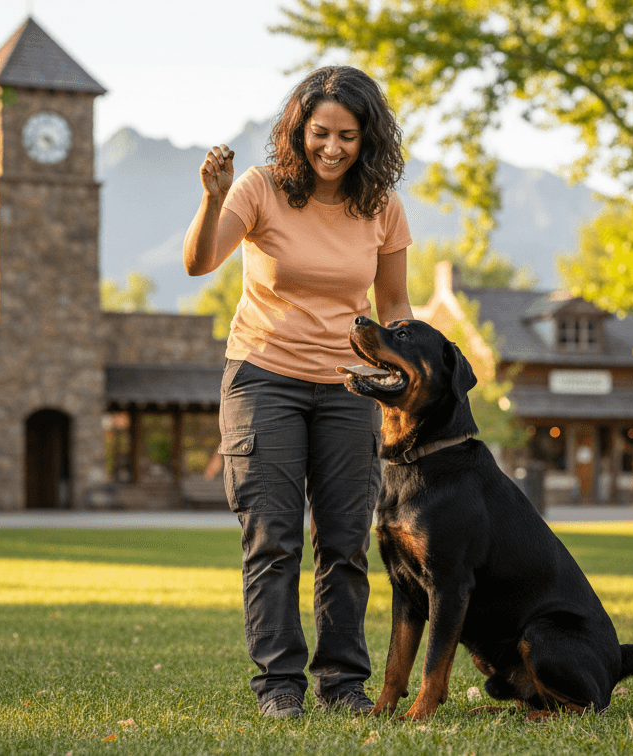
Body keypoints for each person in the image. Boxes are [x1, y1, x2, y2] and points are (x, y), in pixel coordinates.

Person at [183, 66, 413, 720]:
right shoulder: (259, 189)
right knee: (274, 539)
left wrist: (406, 376)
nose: (334, 147)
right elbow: (200, 263)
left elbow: (394, 304)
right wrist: (211, 198)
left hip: (349, 387)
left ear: (368, 138)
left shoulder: (382, 205)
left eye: (348, 135)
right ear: (298, 130)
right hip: (263, 379)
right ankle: (279, 688)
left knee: (345, 542)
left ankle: (343, 687)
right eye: (321, 133)